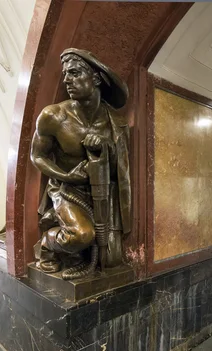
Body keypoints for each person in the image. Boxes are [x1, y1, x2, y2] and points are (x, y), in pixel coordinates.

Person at [30, 48, 131, 280]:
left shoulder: (115, 121)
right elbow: (37, 156)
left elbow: (122, 168)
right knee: (83, 235)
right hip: (66, 189)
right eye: (66, 74)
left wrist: (105, 147)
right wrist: (66, 176)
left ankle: (79, 257)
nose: (67, 80)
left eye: (75, 73)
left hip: (104, 190)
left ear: (95, 79)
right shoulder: (54, 116)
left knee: (112, 258)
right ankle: (46, 245)